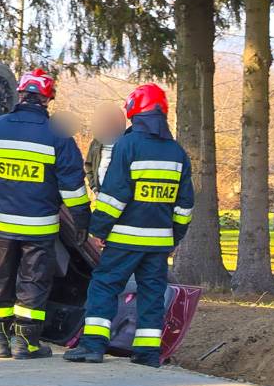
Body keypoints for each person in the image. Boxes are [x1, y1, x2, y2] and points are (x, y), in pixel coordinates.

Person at [0, 69, 91, 359]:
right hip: (40, 226)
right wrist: (82, 219)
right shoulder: (58, 136)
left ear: (20, 94)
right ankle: (26, 343)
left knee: (1, 278)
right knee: (33, 282)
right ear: (48, 99)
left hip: (3, 224)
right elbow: (72, 186)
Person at [64, 84, 194, 367]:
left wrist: (98, 229)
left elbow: (114, 196)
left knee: (104, 286)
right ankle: (147, 353)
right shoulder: (177, 152)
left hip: (125, 239)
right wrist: (174, 237)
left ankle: (93, 345)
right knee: (152, 293)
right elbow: (185, 206)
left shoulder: (128, 145)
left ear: (135, 109)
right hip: (158, 243)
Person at [84, 104, 127, 193]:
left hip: (119, 195)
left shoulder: (126, 141)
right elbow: (88, 166)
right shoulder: (96, 142)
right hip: (99, 192)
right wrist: (94, 187)